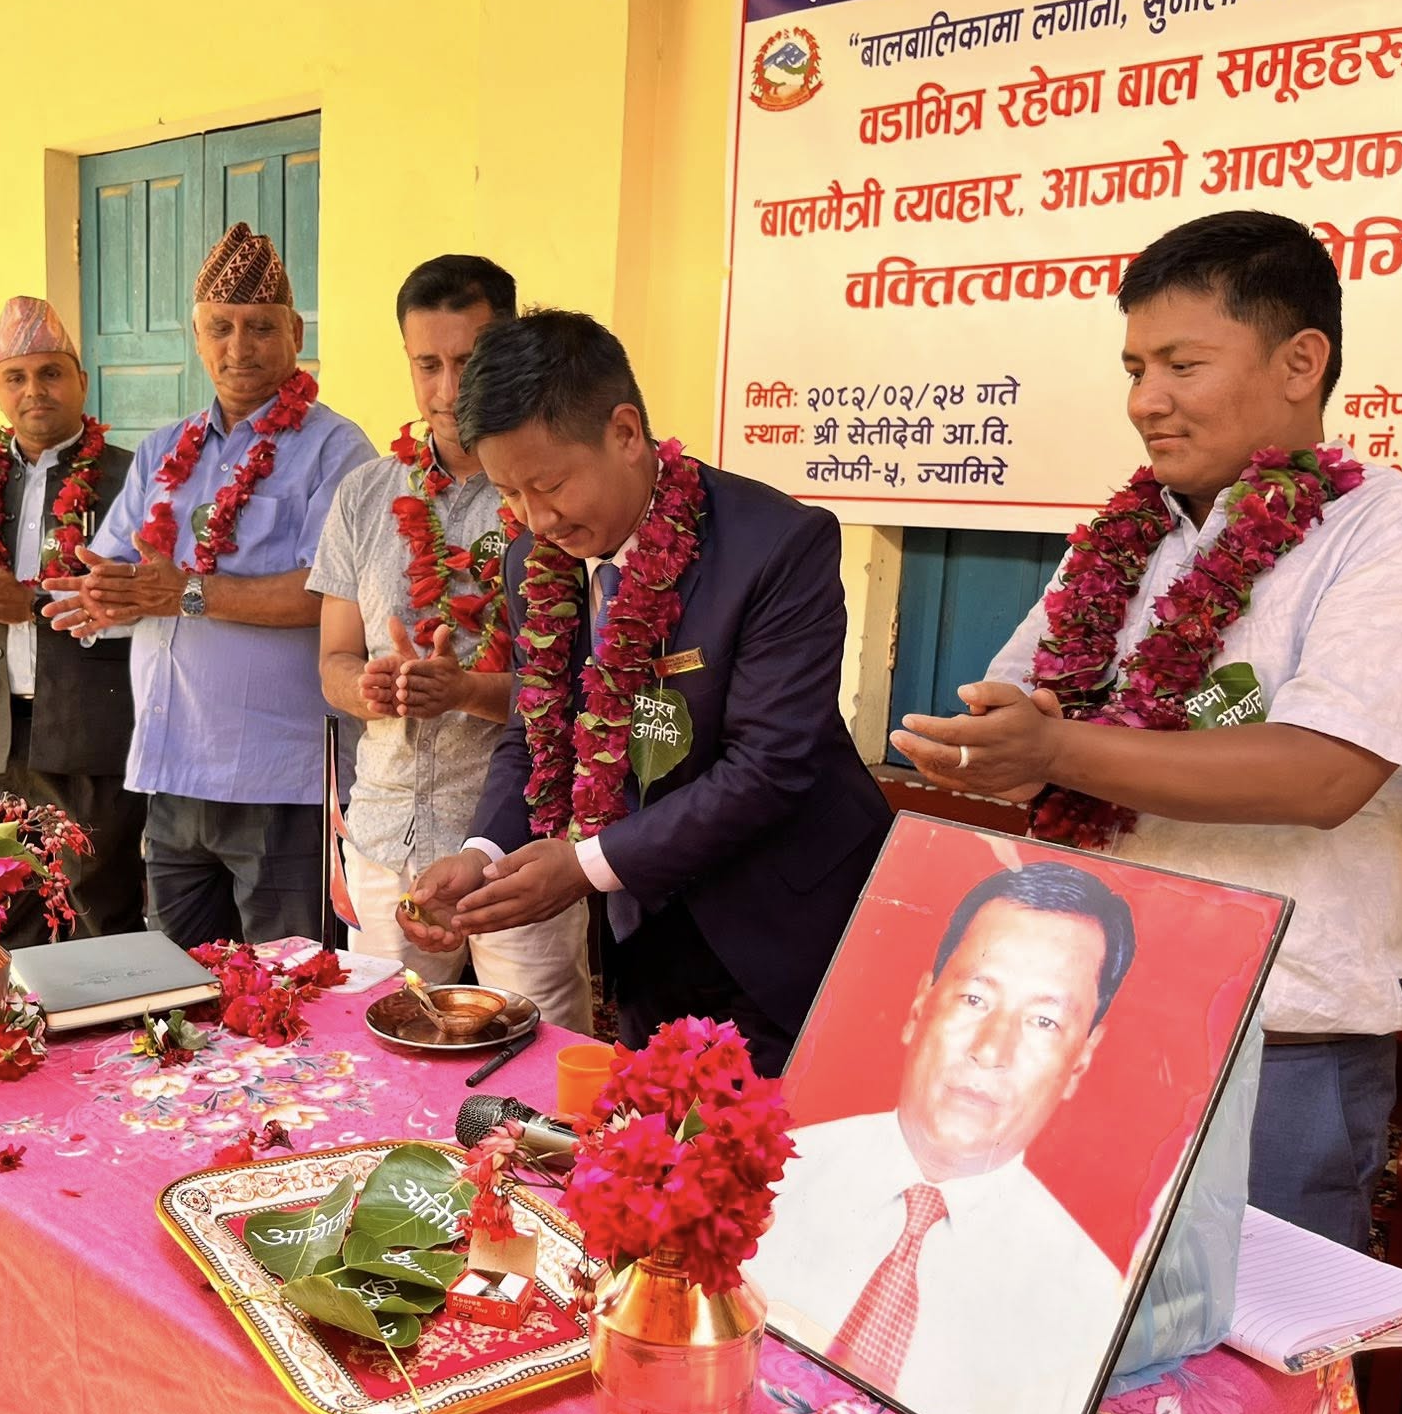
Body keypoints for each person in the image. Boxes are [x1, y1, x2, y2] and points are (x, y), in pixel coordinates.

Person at [890, 210, 1402, 1252]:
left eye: (1182, 364)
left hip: (1277, 1041)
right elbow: (1024, 710)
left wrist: (1054, 750)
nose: (1145, 400)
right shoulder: (1126, 538)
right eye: (1134, 368)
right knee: (1070, 1305)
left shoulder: (1398, 536)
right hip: (1092, 1026)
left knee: (1249, 1338)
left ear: (1300, 361)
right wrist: (986, 750)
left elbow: (1322, 774)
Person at [400, 309, 891, 1075]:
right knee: (650, 1133)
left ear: (626, 433)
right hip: (648, 933)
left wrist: (585, 865)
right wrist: (482, 853)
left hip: (784, 932)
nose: (537, 519)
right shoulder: (534, 558)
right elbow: (536, 731)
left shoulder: (777, 546)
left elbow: (770, 765)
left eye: (550, 485)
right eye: (510, 493)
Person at [751, 863, 1135, 1414]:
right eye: (974, 999)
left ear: (1081, 1060)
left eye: (1044, 1021)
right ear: (919, 1005)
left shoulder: (1087, 1298)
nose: (991, 1049)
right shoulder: (772, 1172)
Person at [45, 224, 373, 945]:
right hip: (172, 770)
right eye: (220, 328)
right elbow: (124, 572)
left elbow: (333, 597)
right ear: (197, 338)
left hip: (282, 780)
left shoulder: (336, 448)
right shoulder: (164, 448)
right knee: (181, 990)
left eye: (261, 327)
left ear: (295, 334)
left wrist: (189, 593)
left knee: (291, 990)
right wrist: (102, 595)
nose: (239, 346)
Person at [311, 257, 591, 1030]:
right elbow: (333, 661)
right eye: (426, 365)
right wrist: (371, 686)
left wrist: (465, 691)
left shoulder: (554, 495)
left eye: (467, 362)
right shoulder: (366, 493)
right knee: (383, 1049)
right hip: (385, 835)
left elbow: (578, 692)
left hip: (517, 845)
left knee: (534, 1050)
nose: (446, 390)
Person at [0, 296, 145, 942]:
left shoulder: (132, 479)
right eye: (16, 377)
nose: (34, 390)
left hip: (92, 737)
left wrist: (30, 608)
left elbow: (150, 604)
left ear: (81, 382)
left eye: (50, 373)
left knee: (96, 913)